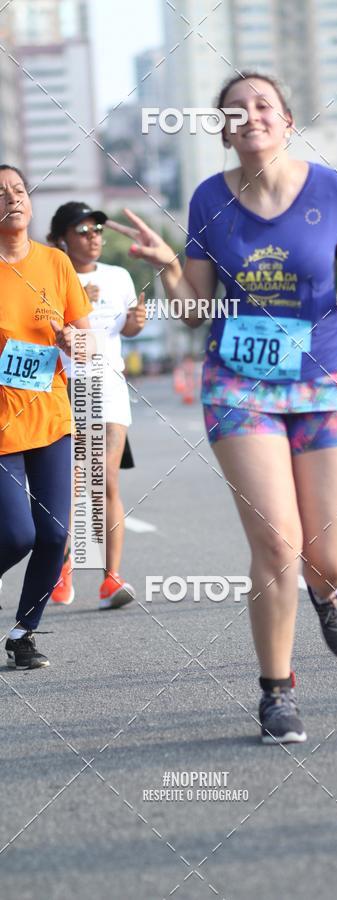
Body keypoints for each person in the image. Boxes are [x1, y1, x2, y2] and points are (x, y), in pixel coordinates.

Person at [108, 71, 337, 743]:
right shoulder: (209, 199)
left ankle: (328, 592)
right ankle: (277, 689)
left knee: (331, 559)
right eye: (236, 110)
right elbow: (197, 311)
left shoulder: (333, 190)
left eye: (263, 105)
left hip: (326, 378)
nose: (251, 115)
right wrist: (169, 264)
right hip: (239, 382)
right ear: (225, 131)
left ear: (287, 120)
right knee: (277, 542)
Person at [0, 165, 91, 668]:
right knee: (18, 534)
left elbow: (86, 336)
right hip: (1, 425)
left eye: (17, 190)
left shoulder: (55, 263)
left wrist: (74, 341)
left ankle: (22, 634)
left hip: (51, 418)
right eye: (0, 194)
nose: (11, 199)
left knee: (55, 534)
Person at [46, 202, 146, 610]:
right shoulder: (51, 274)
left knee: (105, 481)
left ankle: (110, 578)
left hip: (109, 383)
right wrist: (74, 307)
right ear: (61, 240)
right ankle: (62, 566)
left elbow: (129, 328)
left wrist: (137, 320)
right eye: (83, 230)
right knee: (71, 484)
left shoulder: (119, 276)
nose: (93, 237)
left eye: (97, 230)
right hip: (63, 383)